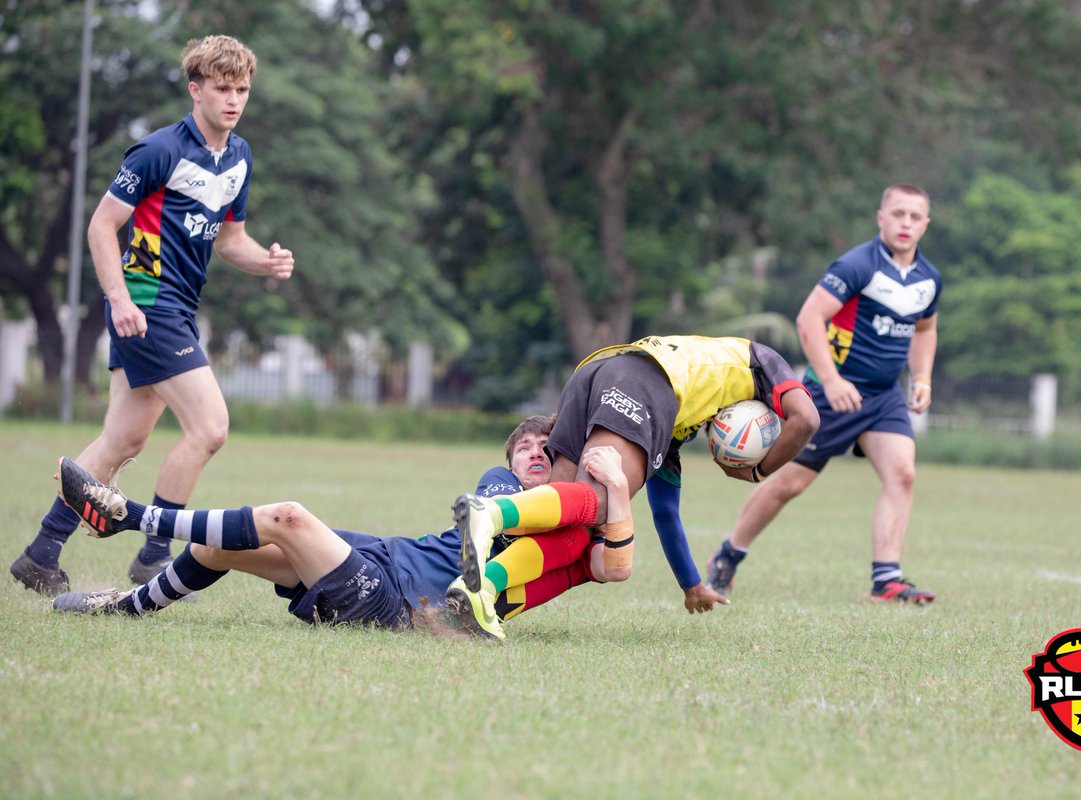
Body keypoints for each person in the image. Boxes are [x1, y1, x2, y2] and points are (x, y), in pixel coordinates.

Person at [10, 35, 294, 595]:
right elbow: (101, 226)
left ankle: (41, 552)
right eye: (222, 88)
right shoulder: (158, 150)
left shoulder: (239, 156)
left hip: (177, 308)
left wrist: (266, 261)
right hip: (147, 302)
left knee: (122, 440)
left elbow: (230, 240)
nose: (233, 100)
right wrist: (119, 299)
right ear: (195, 90)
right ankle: (155, 555)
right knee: (209, 428)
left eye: (242, 90)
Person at [50, 417, 624, 641]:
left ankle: (130, 517)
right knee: (215, 547)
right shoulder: (500, 484)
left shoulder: (570, 539)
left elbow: (610, 566)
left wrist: (616, 491)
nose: (535, 454)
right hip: (382, 558)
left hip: (399, 600)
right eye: (525, 448)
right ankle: (124, 608)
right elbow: (510, 515)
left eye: (547, 448)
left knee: (288, 516)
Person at [444, 334, 822, 639]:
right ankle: (489, 514)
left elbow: (666, 513)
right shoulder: (761, 359)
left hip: (596, 372)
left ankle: (483, 593)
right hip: (643, 381)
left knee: (569, 530)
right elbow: (806, 420)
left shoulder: (683, 419)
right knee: (599, 501)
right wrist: (758, 472)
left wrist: (691, 585)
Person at [706, 184, 942, 604]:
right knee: (789, 484)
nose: (906, 223)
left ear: (925, 223)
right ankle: (728, 555)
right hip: (831, 393)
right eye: (898, 214)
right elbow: (809, 318)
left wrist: (921, 378)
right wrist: (832, 381)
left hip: (883, 396)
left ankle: (886, 580)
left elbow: (925, 329)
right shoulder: (857, 265)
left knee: (902, 474)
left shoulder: (929, 279)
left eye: (914, 216)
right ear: (881, 218)